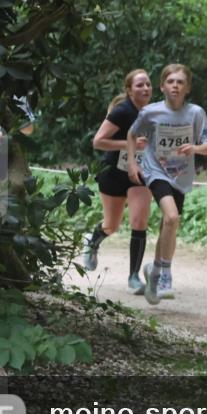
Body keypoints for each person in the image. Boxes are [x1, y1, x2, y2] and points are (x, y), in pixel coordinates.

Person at [127, 63, 207, 305]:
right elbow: (132, 134)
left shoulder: (196, 113)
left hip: (181, 176)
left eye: (180, 82)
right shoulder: (150, 113)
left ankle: (154, 272)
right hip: (156, 171)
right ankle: (165, 274)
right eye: (171, 81)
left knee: (169, 223)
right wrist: (133, 163)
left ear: (187, 88)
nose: (175, 85)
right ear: (162, 86)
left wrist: (194, 148)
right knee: (172, 217)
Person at [81, 69, 154, 295]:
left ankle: (133, 277)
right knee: (111, 225)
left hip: (140, 174)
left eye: (148, 84)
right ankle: (93, 241)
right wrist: (128, 144)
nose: (145, 89)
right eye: (140, 85)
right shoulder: (122, 111)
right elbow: (98, 142)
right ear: (129, 90)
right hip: (113, 173)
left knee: (139, 221)